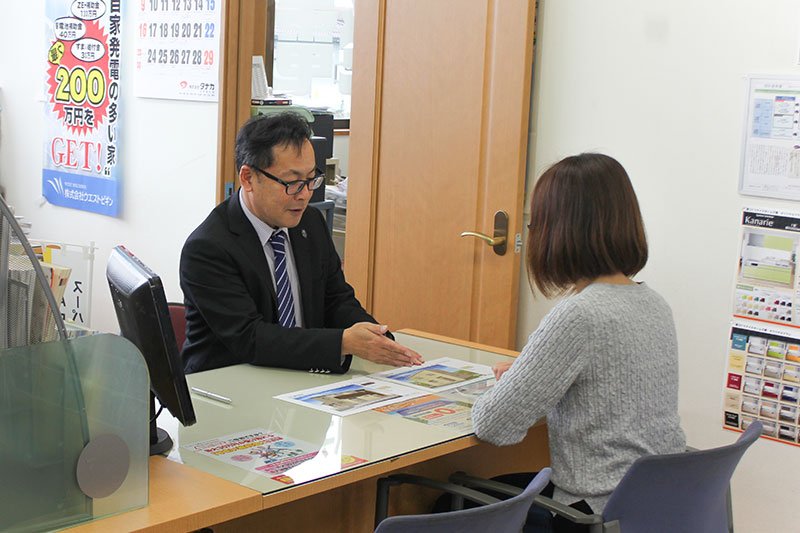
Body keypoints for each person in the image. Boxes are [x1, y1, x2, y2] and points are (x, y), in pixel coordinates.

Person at [471, 153, 686, 531]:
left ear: (556, 231)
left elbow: (493, 424)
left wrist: (516, 383)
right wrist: (533, 375)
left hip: (593, 514)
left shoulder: (578, 316)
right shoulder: (654, 303)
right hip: (656, 507)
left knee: (446, 502)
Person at [180, 112, 424, 374]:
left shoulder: (310, 223)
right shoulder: (208, 248)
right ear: (248, 178)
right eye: (293, 183)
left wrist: (374, 336)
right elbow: (250, 338)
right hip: (229, 384)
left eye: (311, 180)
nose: (305, 194)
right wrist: (343, 343)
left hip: (299, 377)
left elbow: (336, 299)